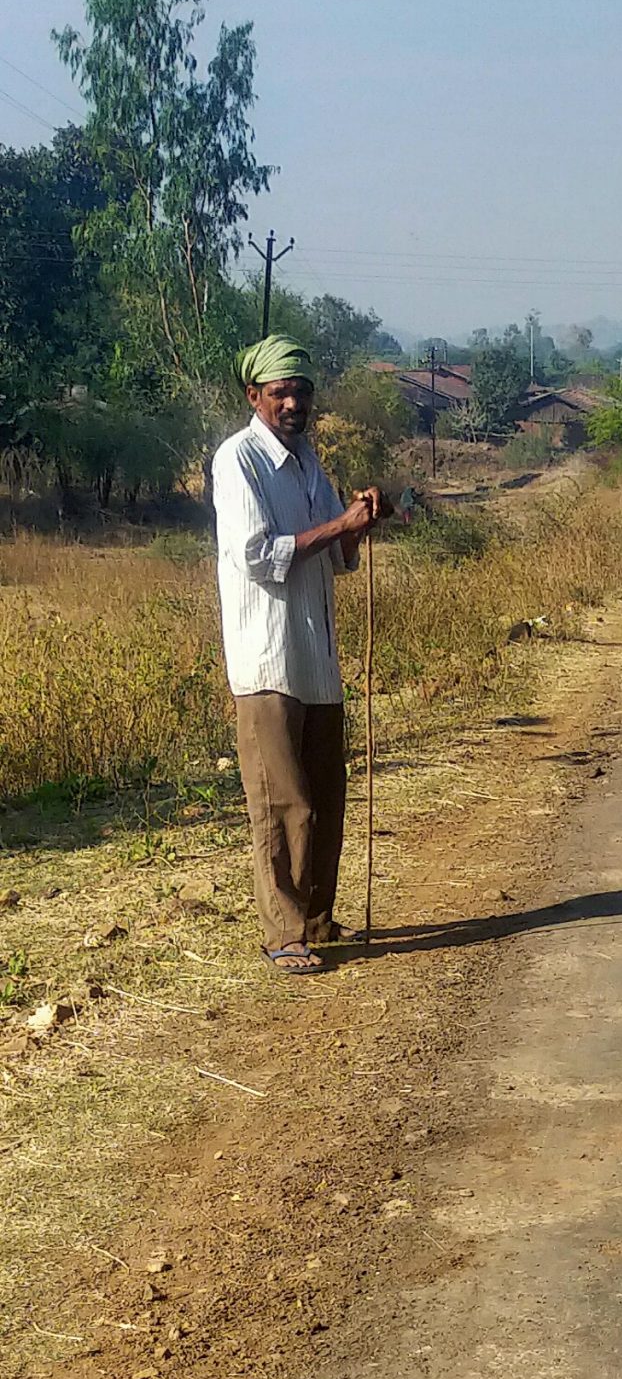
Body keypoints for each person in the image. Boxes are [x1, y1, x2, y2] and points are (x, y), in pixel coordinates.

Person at [209, 336, 382, 973]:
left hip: (316, 659)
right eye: (280, 391)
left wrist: (357, 525)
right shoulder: (238, 461)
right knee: (284, 804)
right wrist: (338, 525)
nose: (292, 401)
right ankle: (283, 933)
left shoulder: (312, 465)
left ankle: (317, 920)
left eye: (301, 391)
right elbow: (258, 556)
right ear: (253, 396)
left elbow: (336, 560)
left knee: (325, 800)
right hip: (268, 659)